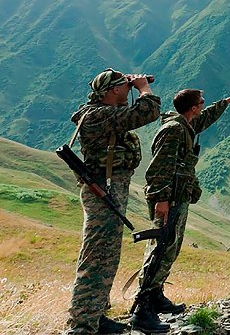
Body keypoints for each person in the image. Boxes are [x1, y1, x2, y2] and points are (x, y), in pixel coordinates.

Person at [130, 88, 230, 332]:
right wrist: (161, 199)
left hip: (178, 197)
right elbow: (159, 166)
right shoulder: (173, 130)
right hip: (168, 200)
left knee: (170, 247)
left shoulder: (186, 125)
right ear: (192, 107)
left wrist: (225, 102)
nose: (203, 104)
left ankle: (156, 295)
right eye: (201, 102)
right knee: (160, 249)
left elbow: (205, 118)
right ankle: (142, 309)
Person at [66, 69, 161, 335]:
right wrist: (142, 87)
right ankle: (81, 325)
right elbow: (148, 111)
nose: (128, 88)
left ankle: (96, 316)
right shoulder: (97, 116)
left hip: (111, 189)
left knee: (108, 256)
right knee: (96, 257)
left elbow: (129, 117)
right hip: (102, 192)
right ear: (112, 91)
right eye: (123, 86)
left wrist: (130, 86)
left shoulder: (105, 113)